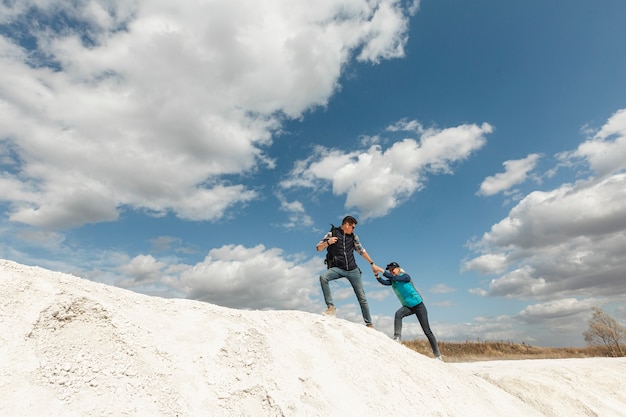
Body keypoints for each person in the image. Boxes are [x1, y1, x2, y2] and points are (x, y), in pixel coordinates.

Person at [316, 215, 379, 327]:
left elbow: (361, 250)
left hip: (353, 270)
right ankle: (331, 308)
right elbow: (318, 248)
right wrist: (328, 242)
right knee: (323, 277)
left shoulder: (353, 237)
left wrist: (372, 263)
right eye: (353, 227)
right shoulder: (332, 234)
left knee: (362, 297)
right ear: (346, 225)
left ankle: (369, 324)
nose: (353, 229)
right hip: (338, 268)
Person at [374, 261, 442, 360]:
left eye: (393, 270)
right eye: (390, 270)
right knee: (398, 314)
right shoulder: (394, 280)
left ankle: (438, 355)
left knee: (427, 331)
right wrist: (376, 274)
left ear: (398, 269)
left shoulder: (405, 277)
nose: (391, 271)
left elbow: (394, 278)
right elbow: (384, 282)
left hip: (419, 306)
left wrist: (380, 270)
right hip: (408, 307)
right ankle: (397, 337)